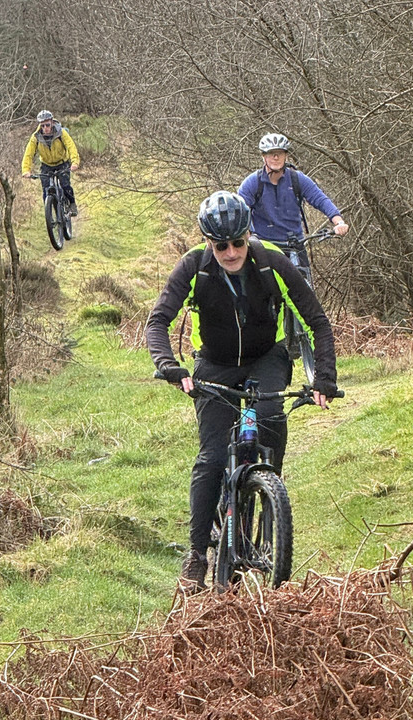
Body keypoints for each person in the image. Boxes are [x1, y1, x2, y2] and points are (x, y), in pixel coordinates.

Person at [146, 191, 339, 592]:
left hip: (265, 359)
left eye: (237, 242)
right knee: (213, 457)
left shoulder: (269, 261)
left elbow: (317, 320)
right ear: (207, 242)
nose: (231, 252)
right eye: (221, 245)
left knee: (269, 418)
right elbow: (158, 321)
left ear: (247, 234)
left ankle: (269, 492)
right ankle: (198, 554)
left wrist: (324, 378)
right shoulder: (194, 268)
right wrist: (169, 366)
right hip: (214, 365)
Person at [238, 133, 348, 264]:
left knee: (303, 282)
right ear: (263, 156)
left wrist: (339, 222)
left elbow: (320, 199)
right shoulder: (253, 182)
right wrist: (246, 233)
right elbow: (239, 209)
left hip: (294, 245)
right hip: (264, 247)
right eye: (271, 153)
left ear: (286, 155)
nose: (276, 157)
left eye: (280, 153)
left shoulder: (297, 179)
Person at [21, 109, 81, 216]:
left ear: (52, 122)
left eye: (47, 125)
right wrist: (26, 170)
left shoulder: (61, 133)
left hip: (62, 162)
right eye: (42, 126)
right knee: (46, 189)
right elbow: (28, 154)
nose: (45, 128)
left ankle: (72, 204)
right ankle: (49, 213)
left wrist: (75, 162)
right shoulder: (36, 137)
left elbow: (71, 146)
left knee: (65, 185)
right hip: (46, 165)